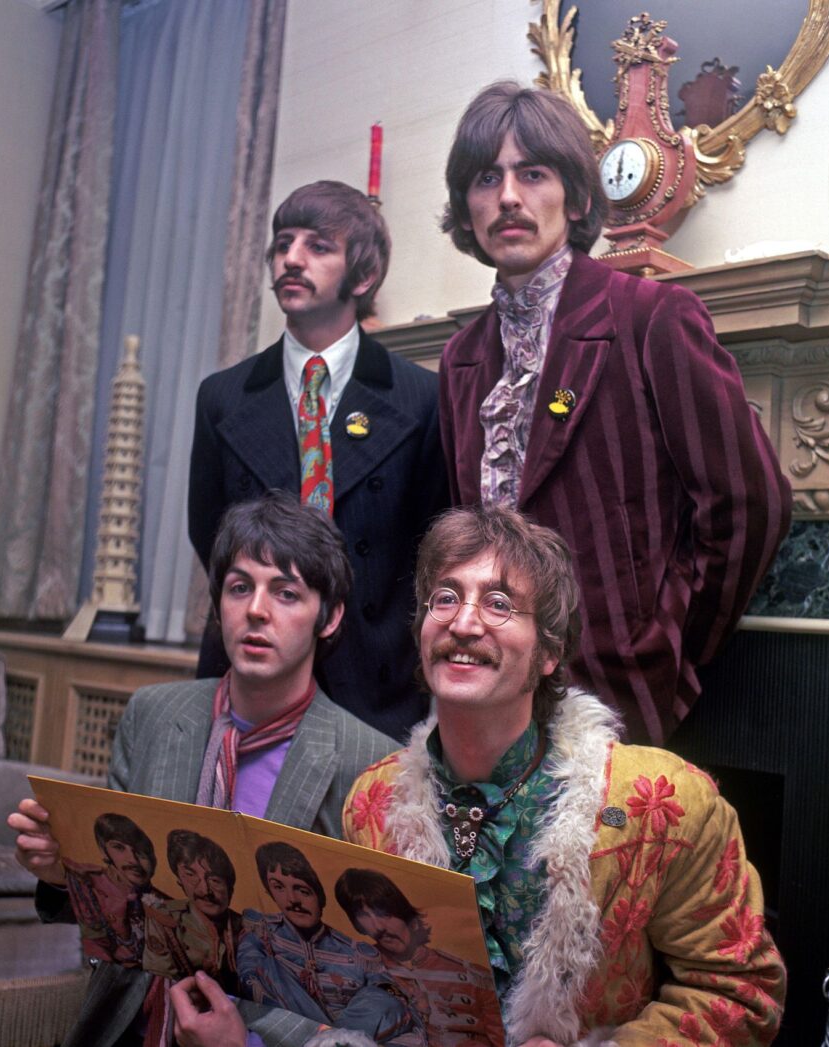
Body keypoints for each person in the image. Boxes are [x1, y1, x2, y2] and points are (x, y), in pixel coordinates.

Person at [343, 506, 786, 1045]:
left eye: (499, 604)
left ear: (549, 652)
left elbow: (741, 990)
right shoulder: (372, 802)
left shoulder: (661, 801)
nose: (463, 622)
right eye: (446, 597)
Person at [437, 81, 792, 744]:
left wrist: (667, 649)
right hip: (489, 704)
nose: (509, 196)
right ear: (467, 205)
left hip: (617, 701)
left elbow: (751, 503)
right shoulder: (461, 357)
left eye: (533, 173)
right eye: (488, 178)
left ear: (575, 196)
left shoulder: (653, 318)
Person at [8, 491, 398, 1047]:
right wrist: (59, 870)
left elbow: (374, 980)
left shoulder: (372, 764)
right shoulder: (154, 713)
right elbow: (121, 909)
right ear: (219, 605)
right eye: (240, 588)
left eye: (286, 593)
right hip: (130, 1024)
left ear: (329, 616)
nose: (256, 610)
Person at [189, 179, 448, 742]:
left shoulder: (421, 399)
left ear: (363, 275)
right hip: (246, 681)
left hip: (376, 683)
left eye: (318, 246)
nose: (292, 259)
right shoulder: (222, 397)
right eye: (284, 243)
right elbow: (207, 531)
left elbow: (431, 547)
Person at [238, 842, 418, 1043]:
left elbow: (394, 1004)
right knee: (268, 970)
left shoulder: (357, 953)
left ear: (320, 896)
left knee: (382, 999)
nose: (292, 900)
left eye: (302, 890)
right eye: (278, 887)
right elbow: (251, 983)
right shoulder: (260, 933)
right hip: (282, 1035)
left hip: (357, 1039)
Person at [335, 868, 504, 1047]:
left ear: (400, 909)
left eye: (383, 912)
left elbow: (500, 1039)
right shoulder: (360, 967)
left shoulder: (472, 975)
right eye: (363, 916)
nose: (378, 926)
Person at [143, 830, 242, 994]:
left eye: (215, 880)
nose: (205, 890)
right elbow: (160, 982)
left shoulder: (247, 926)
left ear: (230, 888)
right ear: (179, 882)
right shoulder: (165, 919)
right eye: (190, 875)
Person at [64, 812, 165, 966]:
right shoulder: (89, 883)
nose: (132, 859)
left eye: (142, 852)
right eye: (119, 847)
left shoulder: (165, 902)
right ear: (104, 851)